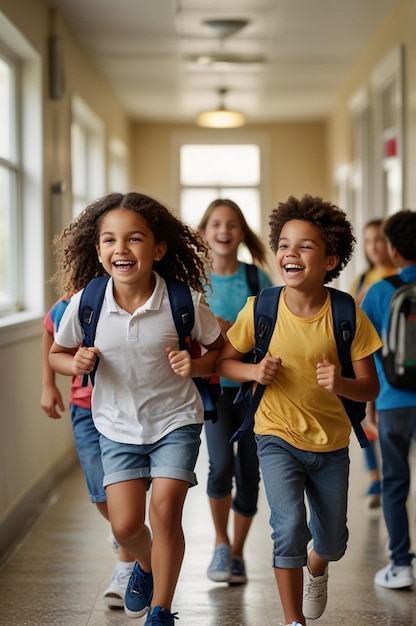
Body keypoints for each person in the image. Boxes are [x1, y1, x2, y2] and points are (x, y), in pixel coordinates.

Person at [48, 192, 224, 626]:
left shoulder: (183, 301)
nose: (120, 249)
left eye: (134, 239)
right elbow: (57, 351)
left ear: (158, 249)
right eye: (109, 240)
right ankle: (145, 566)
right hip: (115, 424)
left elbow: (222, 349)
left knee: (164, 512)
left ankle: (161, 610)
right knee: (125, 527)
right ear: (98, 251)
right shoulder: (86, 304)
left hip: (176, 421)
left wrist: (197, 363)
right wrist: (75, 362)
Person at [215, 194, 382, 626]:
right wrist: (253, 373)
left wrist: (340, 382)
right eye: (284, 244)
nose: (291, 253)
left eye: (305, 246)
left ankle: (319, 566)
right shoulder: (261, 309)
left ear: (331, 260)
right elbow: (224, 363)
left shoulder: (347, 314)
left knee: (331, 542)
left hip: (330, 445)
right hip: (276, 437)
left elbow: (370, 387)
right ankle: (294, 621)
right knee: (287, 528)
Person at [41, 297, 136, 609]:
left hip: (125, 407)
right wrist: (48, 385)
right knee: (101, 494)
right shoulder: (71, 303)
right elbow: (51, 334)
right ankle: (127, 536)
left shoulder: (135, 295)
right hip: (85, 408)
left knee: (124, 489)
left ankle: (126, 567)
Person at [198, 198, 274, 586]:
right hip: (212, 392)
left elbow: (278, 328)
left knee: (249, 474)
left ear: (241, 232)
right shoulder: (195, 281)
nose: (223, 231)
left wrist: (239, 333)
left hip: (253, 392)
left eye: (231, 224)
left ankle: (239, 554)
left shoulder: (257, 279)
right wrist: (216, 332)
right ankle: (220, 544)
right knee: (220, 467)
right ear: (204, 232)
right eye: (215, 224)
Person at [361, 209, 416, 590]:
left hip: (393, 401)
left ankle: (400, 565)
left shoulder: (380, 291)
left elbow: (362, 351)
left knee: (394, 484)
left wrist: (369, 406)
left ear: (393, 249)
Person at [350, 219, 398, 508]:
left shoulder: (400, 275)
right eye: (368, 242)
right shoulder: (363, 278)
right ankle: (375, 478)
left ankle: (391, 477)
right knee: (365, 419)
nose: (374, 247)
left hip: (393, 360)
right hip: (370, 357)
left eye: (379, 240)